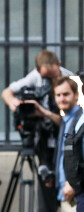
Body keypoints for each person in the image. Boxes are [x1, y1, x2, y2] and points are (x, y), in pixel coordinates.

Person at [1, 49, 73, 212]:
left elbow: (69, 121)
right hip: (44, 141)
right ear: (37, 71)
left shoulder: (69, 80)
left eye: (54, 76)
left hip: (65, 139)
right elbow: (6, 92)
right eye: (46, 77)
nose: (51, 81)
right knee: (46, 185)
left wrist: (44, 112)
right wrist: (15, 104)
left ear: (59, 65)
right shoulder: (35, 77)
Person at [52, 77, 81, 211]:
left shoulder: (80, 120)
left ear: (76, 95)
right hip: (64, 195)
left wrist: (72, 182)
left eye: (66, 94)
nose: (61, 99)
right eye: (58, 95)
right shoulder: (65, 121)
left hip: (76, 193)